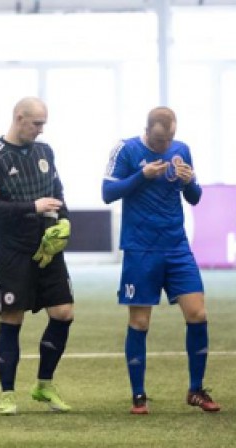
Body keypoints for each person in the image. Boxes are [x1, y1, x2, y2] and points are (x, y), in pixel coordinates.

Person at [102, 106, 220, 414]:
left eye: (168, 139)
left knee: (197, 313)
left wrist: (190, 181)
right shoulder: (126, 149)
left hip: (177, 247)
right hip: (140, 249)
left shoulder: (182, 150)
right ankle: (138, 395)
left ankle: (195, 390)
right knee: (140, 321)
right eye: (158, 141)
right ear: (147, 131)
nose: (164, 146)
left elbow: (193, 197)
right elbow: (107, 192)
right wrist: (141, 175)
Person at [0, 97, 74, 415]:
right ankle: (7, 394)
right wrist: (33, 207)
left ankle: (44, 385)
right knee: (11, 318)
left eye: (44, 124)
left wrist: (66, 223)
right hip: (11, 250)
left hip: (47, 249)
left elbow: (57, 194)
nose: (41, 131)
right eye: (37, 124)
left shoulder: (45, 152)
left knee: (63, 313)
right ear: (19, 118)